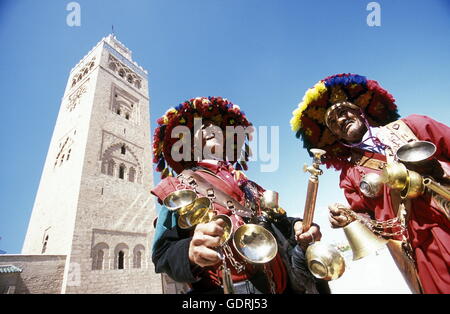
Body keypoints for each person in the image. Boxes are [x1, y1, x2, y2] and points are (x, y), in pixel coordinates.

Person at [290, 73, 450, 294]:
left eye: (343, 111)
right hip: (422, 248)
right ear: (335, 136)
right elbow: (368, 220)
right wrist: (349, 219)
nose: (340, 120)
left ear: (359, 111)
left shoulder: (411, 125)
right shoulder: (349, 176)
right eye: (333, 123)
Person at [151, 96, 326, 294]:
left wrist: (296, 225)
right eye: (200, 128)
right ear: (190, 147)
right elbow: (162, 253)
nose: (209, 129)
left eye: (214, 126)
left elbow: (279, 224)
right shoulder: (177, 186)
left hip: (286, 284)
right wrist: (189, 252)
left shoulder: (250, 185)